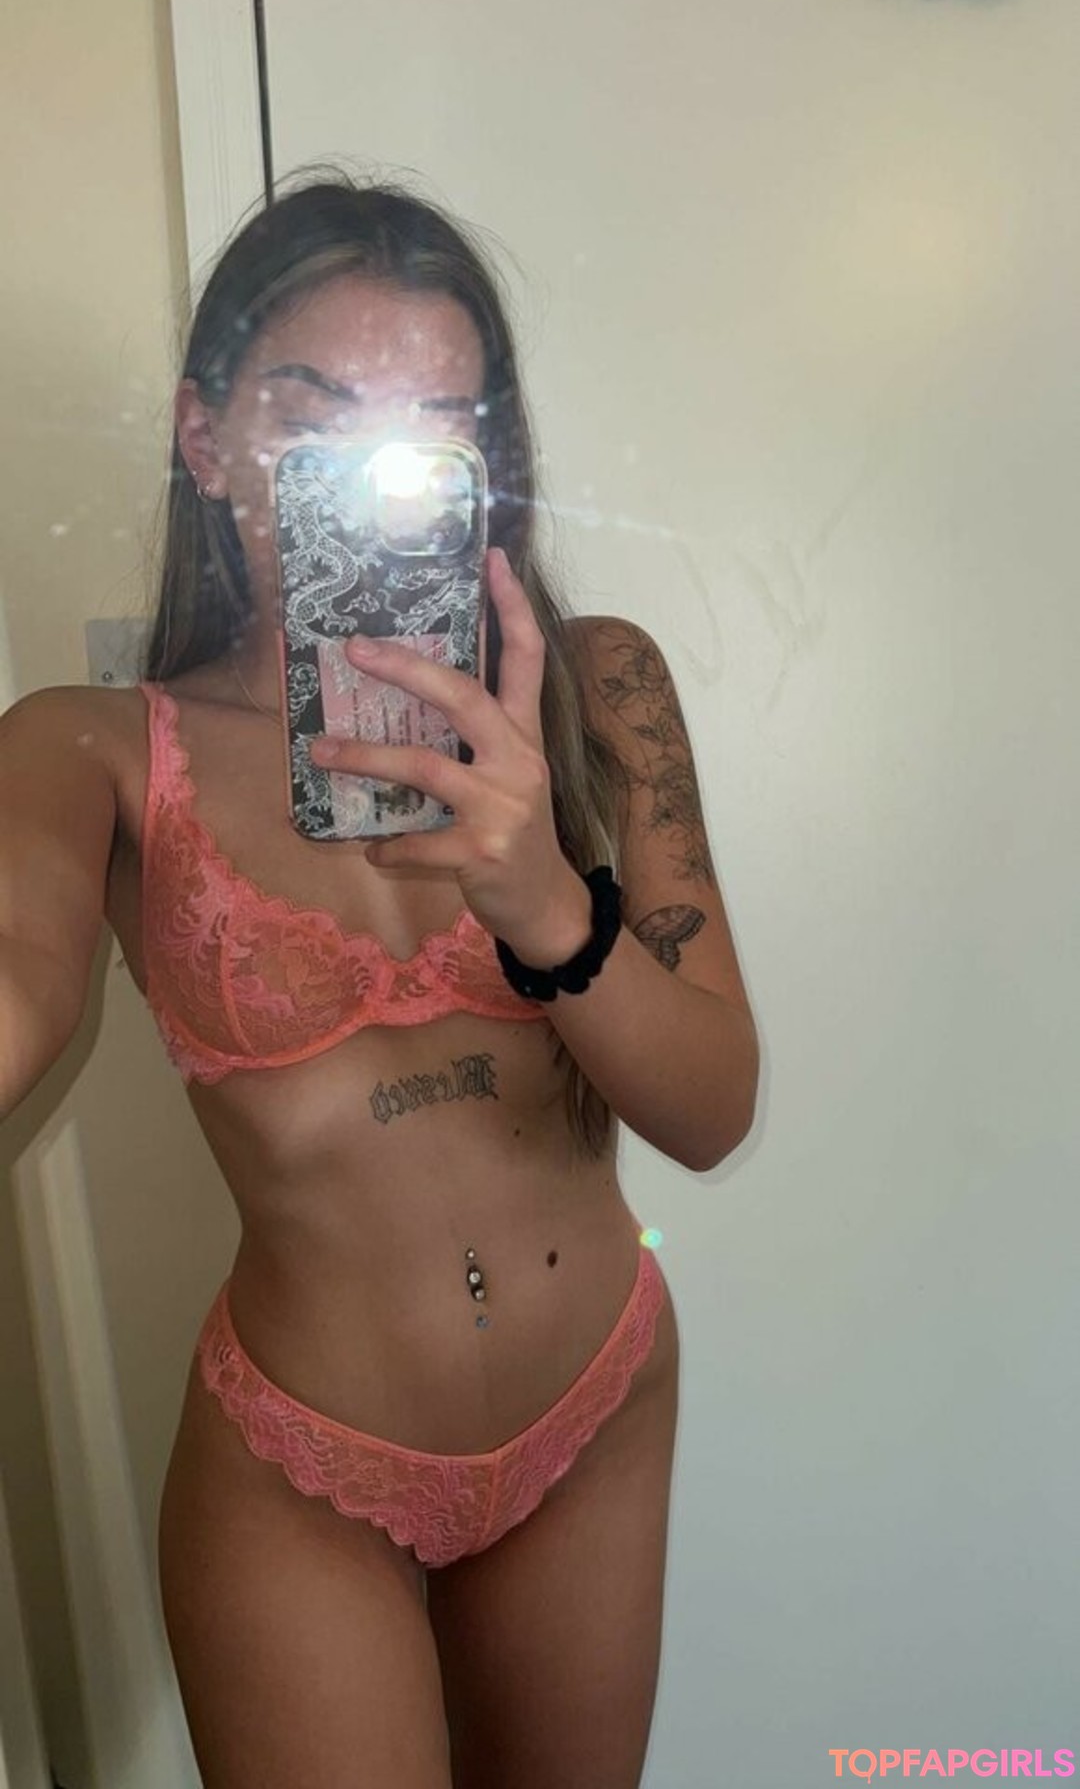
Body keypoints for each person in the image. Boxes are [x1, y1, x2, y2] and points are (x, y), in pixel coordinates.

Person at [0, 176, 759, 1789]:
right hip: (302, 1474)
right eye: (311, 415)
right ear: (206, 439)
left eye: (429, 426)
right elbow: (15, 974)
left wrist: (546, 901)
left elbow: (712, 1108)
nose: (366, 473)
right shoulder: (93, 746)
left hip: (597, 1404)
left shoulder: (603, 687)